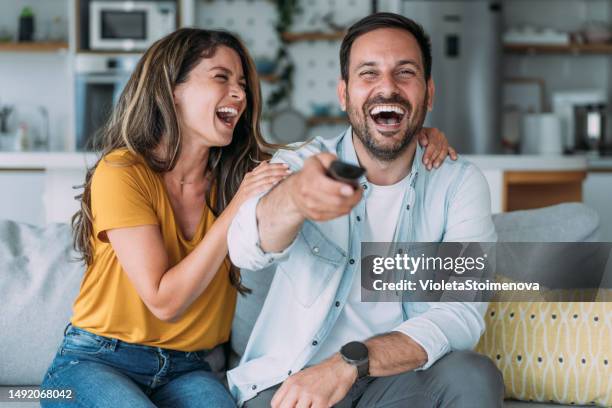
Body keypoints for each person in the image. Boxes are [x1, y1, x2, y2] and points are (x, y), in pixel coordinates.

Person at [40, 27, 454, 407]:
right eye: (221, 78)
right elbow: (164, 301)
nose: (239, 94)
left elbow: (340, 151)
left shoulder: (244, 174)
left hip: (187, 369)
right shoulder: (123, 172)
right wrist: (238, 204)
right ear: (172, 89)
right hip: (97, 361)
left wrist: (411, 138)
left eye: (241, 84)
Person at [227, 13, 504, 408]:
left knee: (474, 375)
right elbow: (245, 248)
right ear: (344, 94)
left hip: (397, 382)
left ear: (428, 93)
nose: (387, 87)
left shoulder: (458, 183)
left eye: (404, 72)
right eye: (369, 73)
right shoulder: (301, 165)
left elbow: (462, 314)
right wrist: (295, 197)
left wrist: (350, 363)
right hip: (293, 380)